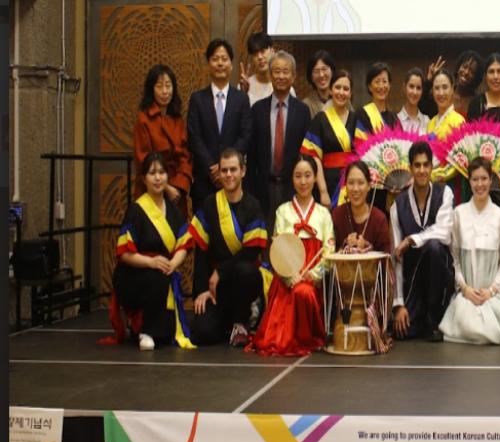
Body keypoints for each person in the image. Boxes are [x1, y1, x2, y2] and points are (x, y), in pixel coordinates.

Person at [247, 156, 333, 356]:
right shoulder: (282, 211)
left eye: (308, 176)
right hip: (286, 278)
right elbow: (277, 250)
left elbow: (329, 251)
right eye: (298, 176)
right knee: (297, 294)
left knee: (304, 292)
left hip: (312, 278)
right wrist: (288, 276)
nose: (303, 181)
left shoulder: (323, 214)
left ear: (315, 178)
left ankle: (307, 338)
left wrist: (314, 274)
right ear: (292, 179)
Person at [107, 153, 194, 350]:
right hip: (133, 274)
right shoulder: (136, 210)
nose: (157, 178)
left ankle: (146, 327)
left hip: (163, 272)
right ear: (144, 178)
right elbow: (124, 253)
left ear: (167, 177)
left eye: (161, 172)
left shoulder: (174, 211)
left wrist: (173, 264)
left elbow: (184, 244)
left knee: (168, 334)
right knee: (156, 277)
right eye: (152, 173)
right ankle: (145, 331)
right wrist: (151, 262)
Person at [187, 38, 252, 296]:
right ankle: (201, 299)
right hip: (206, 183)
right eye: (215, 59)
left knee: (232, 243)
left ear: (231, 64)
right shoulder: (197, 99)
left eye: (225, 59)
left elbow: (245, 135)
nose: (220, 63)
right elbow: (194, 137)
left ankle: (231, 300)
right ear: (208, 64)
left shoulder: (241, 99)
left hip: (234, 186)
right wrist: (212, 168)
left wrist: (228, 168)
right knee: (204, 244)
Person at [439, 158, 500, 345]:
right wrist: (465, 289)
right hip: (466, 295)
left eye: (484, 178)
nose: (480, 184)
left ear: (491, 180)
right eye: (475, 179)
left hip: (491, 295)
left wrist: (492, 290)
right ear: (469, 182)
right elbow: (454, 259)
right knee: (467, 327)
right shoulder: (459, 214)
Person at [188, 148, 268, 347]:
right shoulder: (209, 204)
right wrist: (202, 291)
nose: (229, 175)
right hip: (217, 288)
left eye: (233, 169)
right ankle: (227, 321)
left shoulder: (253, 206)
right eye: (224, 170)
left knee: (245, 270)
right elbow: (201, 250)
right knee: (202, 334)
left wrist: (220, 271)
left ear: (243, 171)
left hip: (244, 283)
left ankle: (243, 320)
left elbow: (251, 252)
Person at [390, 141, 455, 341]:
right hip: (412, 279)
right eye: (417, 165)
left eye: (426, 165)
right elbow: (396, 257)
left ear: (432, 167)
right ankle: (416, 314)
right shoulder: (397, 205)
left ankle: (436, 318)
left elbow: (444, 233)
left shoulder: (444, 193)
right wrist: (398, 304)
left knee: (434, 247)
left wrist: (412, 239)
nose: (421, 170)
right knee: (404, 333)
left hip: (440, 279)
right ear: (410, 168)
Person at [247, 51, 312, 224]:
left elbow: (307, 154)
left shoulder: (303, 111)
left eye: (285, 71)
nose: (281, 76)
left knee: (291, 236)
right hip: (263, 188)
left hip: (294, 187)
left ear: (293, 76)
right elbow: (251, 155)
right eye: (276, 71)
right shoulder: (257, 110)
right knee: (265, 236)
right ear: (270, 74)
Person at [133, 64, 192, 215]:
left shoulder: (178, 119)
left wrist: (179, 186)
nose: (165, 91)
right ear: (151, 89)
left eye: (168, 86)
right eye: (159, 86)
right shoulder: (144, 119)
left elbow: (185, 157)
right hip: (152, 189)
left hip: (177, 192)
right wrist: (166, 187)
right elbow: (143, 160)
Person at [300, 69, 356, 207]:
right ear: (330, 90)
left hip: (353, 183)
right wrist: (323, 191)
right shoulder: (320, 119)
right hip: (327, 184)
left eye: (346, 89)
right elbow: (313, 156)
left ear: (350, 93)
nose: (341, 92)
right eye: (337, 87)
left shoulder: (357, 119)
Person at [331, 161, 392, 253]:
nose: (355, 189)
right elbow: (330, 251)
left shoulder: (379, 219)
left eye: (360, 183)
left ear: (369, 186)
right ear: (345, 186)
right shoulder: (337, 215)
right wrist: (345, 245)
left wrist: (367, 247)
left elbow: (386, 255)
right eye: (351, 183)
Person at [426, 69, 466, 185]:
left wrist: (434, 175)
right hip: (429, 183)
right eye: (437, 88)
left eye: (445, 87)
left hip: (450, 183)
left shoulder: (459, 121)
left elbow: (459, 162)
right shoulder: (431, 123)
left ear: (452, 89)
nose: (441, 93)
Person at [420, 50, 483, 118]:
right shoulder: (443, 93)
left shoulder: (477, 103)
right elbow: (421, 109)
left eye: (472, 71)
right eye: (464, 67)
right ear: (459, 67)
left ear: (476, 78)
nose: (466, 72)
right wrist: (429, 82)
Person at [239, 32, 295, 105]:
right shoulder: (245, 86)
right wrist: (243, 94)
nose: (260, 57)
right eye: (255, 54)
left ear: (272, 51)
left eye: (263, 51)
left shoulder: (284, 86)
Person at [467, 53, 500, 125]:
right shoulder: (476, 104)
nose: (495, 76)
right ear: (485, 77)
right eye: (491, 72)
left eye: (499, 71)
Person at [355, 62, 399, 141]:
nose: (381, 86)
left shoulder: (394, 118)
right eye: (377, 81)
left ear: (389, 85)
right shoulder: (361, 114)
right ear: (369, 87)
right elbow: (359, 143)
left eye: (384, 81)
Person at [302, 49, 336, 118]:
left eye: (324, 69)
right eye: (316, 71)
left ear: (332, 71)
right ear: (311, 77)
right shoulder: (305, 105)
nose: (321, 75)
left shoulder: (341, 98)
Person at [397, 67, 431, 135]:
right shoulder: (396, 120)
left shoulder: (427, 121)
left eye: (418, 88)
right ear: (404, 87)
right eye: (411, 86)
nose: (415, 92)